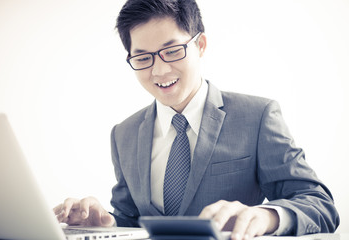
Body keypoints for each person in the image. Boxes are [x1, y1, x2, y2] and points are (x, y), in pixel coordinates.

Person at [53, 0, 340, 239]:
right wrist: (105, 224)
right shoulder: (123, 134)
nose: (159, 70)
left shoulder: (257, 117)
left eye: (173, 51)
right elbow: (131, 220)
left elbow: (321, 206)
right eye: (142, 58)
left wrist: (266, 217)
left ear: (200, 45)